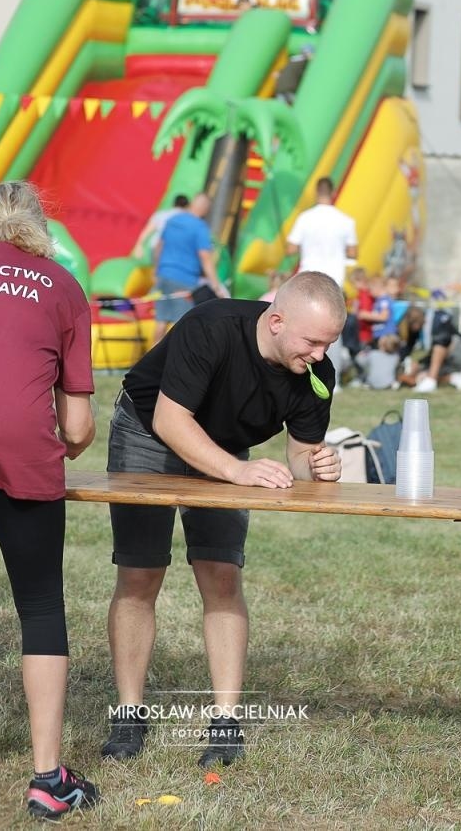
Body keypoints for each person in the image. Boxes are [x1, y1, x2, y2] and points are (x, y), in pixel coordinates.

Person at [101, 272, 346, 769]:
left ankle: (225, 721)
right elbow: (172, 422)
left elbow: (299, 455)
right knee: (140, 573)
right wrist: (236, 470)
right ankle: (128, 714)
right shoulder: (210, 326)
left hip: (229, 450)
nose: (320, 355)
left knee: (221, 575)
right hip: (149, 432)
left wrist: (317, 466)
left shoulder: (316, 372)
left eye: (330, 343)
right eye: (312, 342)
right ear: (276, 321)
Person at [0, 182, 102, 822]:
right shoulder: (61, 286)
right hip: (24, 455)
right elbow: (80, 425)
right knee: (38, 606)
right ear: (39, 225)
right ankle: (46, 780)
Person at [153, 192, 226, 344]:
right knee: (180, 323)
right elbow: (205, 258)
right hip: (184, 279)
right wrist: (216, 285)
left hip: (164, 273)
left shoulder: (173, 220)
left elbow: (159, 246)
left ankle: (151, 356)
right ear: (205, 209)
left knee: (161, 319)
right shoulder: (200, 228)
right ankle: (171, 361)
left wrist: (156, 270)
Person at [286, 176, 358, 285]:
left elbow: (291, 249)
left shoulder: (304, 218)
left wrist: (306, 246)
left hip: (308, 275)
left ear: (316, 192)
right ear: (333, 193)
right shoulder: (346, 221)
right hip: (335, 278)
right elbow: (353, 253)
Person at [131, 193, 189, 262]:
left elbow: (147, 231)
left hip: (157, 247)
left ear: (173, 204)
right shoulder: (188, 219)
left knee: (158, 269)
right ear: (187, 207)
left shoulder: (161, 215)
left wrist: (139, 245)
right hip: (175, 250)